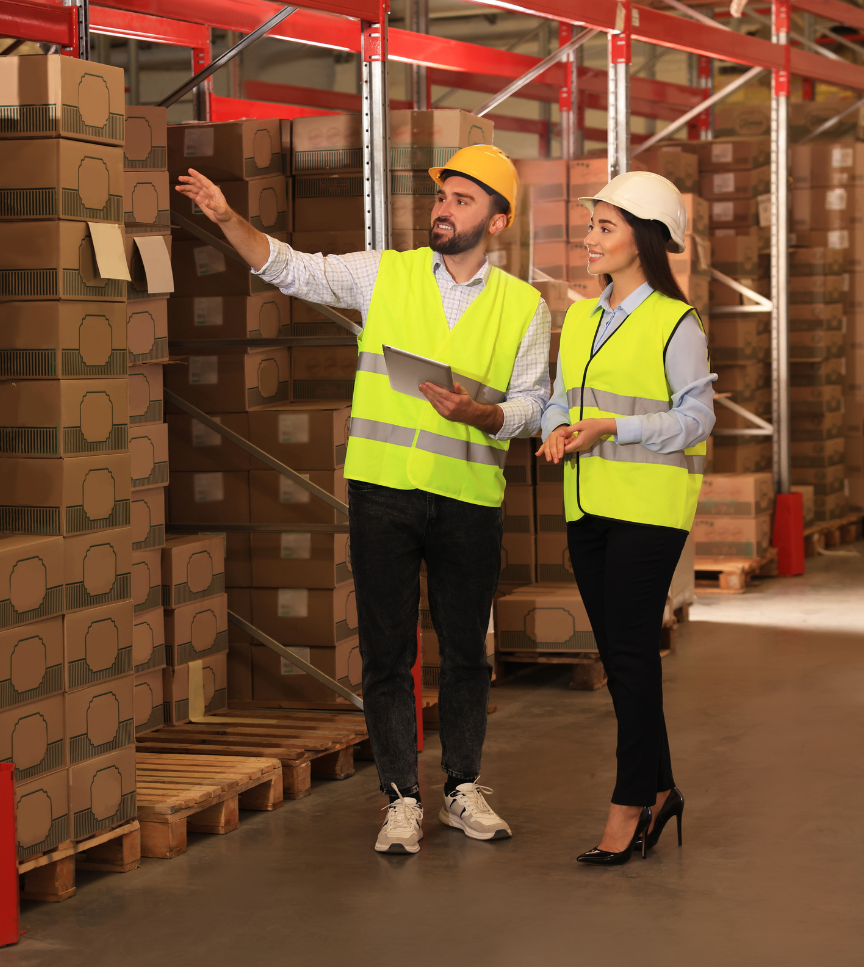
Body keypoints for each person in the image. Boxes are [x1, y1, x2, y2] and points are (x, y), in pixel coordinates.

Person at [177, 146, 551, 856]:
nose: (444, 209)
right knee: (387, 653)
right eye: (442, 197)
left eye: (463, 200)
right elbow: (292, 268)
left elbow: (535, 401)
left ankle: (462, 788)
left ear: (498, 221)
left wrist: (484, 415)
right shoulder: (387, 273)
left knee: (467, 654)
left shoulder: (523, 306)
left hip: (468, 498)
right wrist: (228, 219)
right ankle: (401, 797)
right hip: (383, 493)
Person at [537, 171, 715, 866]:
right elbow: (561, 397)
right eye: (591, 225)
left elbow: (697, 418)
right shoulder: (581, 317)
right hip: (587, 504)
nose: (589, 237)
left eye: (604, 227)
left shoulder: (676, 322)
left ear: (642, 239)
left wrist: (615, 427)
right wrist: (555, 429)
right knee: (619, 658)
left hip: (649, 510)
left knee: (634, 657)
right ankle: (662, 790)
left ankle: (630, 803)